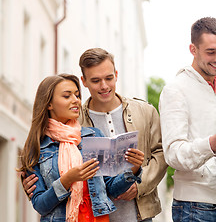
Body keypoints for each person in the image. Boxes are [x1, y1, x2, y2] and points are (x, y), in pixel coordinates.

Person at [23, 48, 167, 222]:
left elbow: (159, 154)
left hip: (134, 215)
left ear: (116, 74)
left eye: (108, 78)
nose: (104, 86)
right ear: (84, 81)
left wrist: (136, 174)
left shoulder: (138, 113)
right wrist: (63, 181)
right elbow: (40, 200)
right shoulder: (61, 131)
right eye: (96, 80)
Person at [19, 74, 144, 222]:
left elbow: (111, 189)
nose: (76, 101)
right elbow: (40, 205)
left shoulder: (94, 135)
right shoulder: (37, 146)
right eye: (67, 96)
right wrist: (67, 180)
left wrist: (134, 168)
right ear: (49, 104)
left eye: (77, 95)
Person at [158, 17, 216, 222]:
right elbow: (172, 154)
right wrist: (211, 145)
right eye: (211, 52)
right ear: (193, 49)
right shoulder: (175, 90)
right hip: (193, 209)